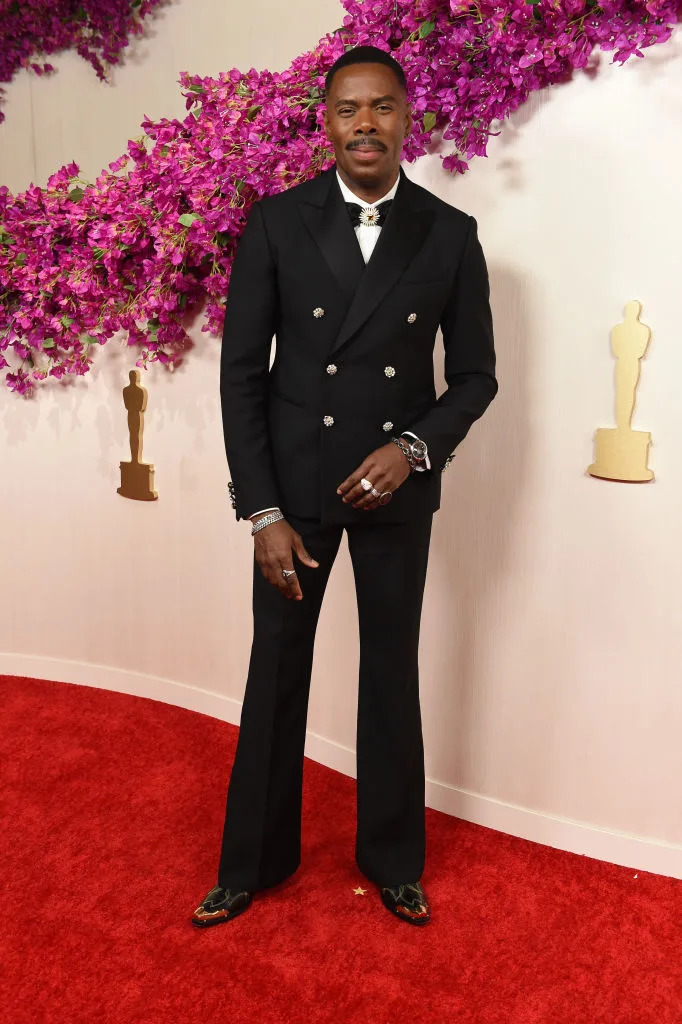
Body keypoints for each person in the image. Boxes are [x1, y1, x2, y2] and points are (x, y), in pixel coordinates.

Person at [192, 44, 498, 929]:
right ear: (325, 122)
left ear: (409, 118)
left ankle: (393, 859)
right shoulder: (278, 224)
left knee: (390, 672)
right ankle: (251, 863)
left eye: (383, 108)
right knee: (276, 669)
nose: (366, 123)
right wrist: (261, 512)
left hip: (394, 491)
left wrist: (413, 447)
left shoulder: (450, 233)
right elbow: (241, 375)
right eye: (348, 109)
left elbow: (476, 376)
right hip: (294, 494)